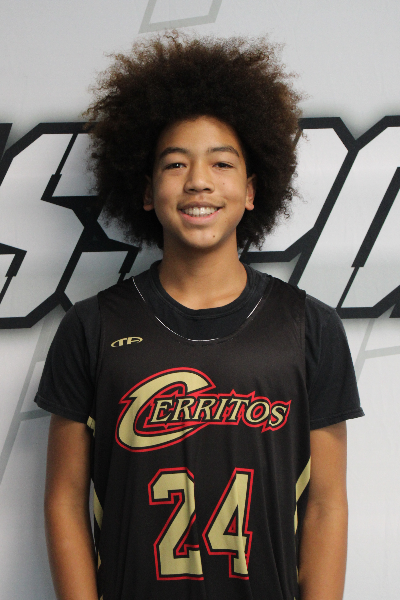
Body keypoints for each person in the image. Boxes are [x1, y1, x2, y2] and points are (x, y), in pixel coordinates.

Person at [36, 32, 364, 600]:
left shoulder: (311, 328)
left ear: (252, 190)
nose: (198, 181)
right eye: (175, 163)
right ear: (146, 192)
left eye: (221, 162)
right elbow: (64, 500)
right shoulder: (91, 327)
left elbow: (326, 505)